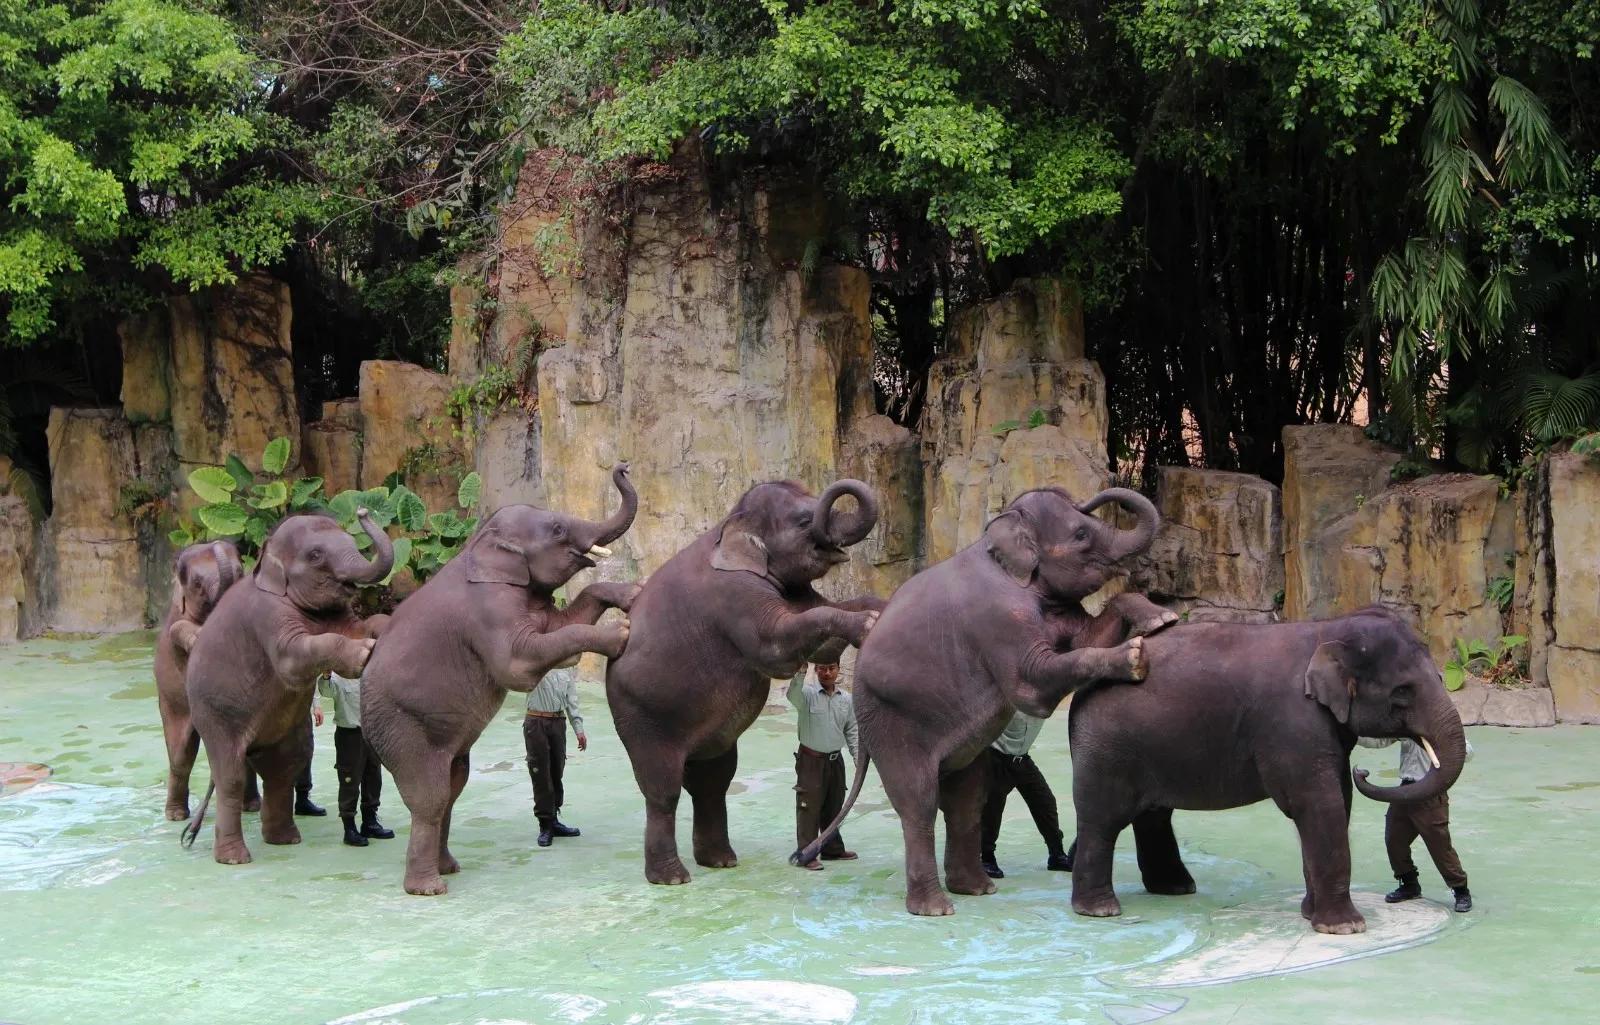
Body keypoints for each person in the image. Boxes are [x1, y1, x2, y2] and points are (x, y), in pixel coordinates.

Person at [1358, 736, 1474, 912]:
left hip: (1430, 791)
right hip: (1405, 790)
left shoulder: (1439, 727)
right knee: (1394, 839)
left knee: (1439, 846)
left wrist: (1441, 741)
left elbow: (1467, 752)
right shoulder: (1407, 727)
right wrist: (1354, 735)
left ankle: (1461, 890)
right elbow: (1381, 740)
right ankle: (1409, 884)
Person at [980, 710, 1071, 879]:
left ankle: (1057, 855)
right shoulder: (1010, 699)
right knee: (992, 809)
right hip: (996, 759)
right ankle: (986, 858)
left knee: (1045, 802)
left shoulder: (1045, 703)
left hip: (1022, 759)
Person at [788, 661, 859, 870]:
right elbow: (792, 695)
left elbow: (852, 730)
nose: (827, 673)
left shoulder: (846, 699)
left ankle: (832, 849)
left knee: (834, 805)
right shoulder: (807, 695)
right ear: (816, 670)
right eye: (822, 668)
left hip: (835, 761)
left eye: (831, 668)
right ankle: (806, 854)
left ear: (838, 669)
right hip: (811, 761)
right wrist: (800, 672)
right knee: (808, 807)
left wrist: (858, 757)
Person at [317, 670, 394, 847]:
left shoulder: (372, 672)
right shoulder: (337, 676)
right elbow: (327, 691)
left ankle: (370, 822)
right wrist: (327, 676)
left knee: (373, 777)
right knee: (349, 780)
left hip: (373, 732)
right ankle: (349, 828)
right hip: (350, 735)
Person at [524, 664, 586, 847]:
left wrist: (579, 730)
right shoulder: (537, 663)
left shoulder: (566, 669)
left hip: (558, 722)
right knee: (540, 773)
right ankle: (545, 825)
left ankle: (554, 821)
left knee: (557, 770)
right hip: (536, 722)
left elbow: (572, 700)